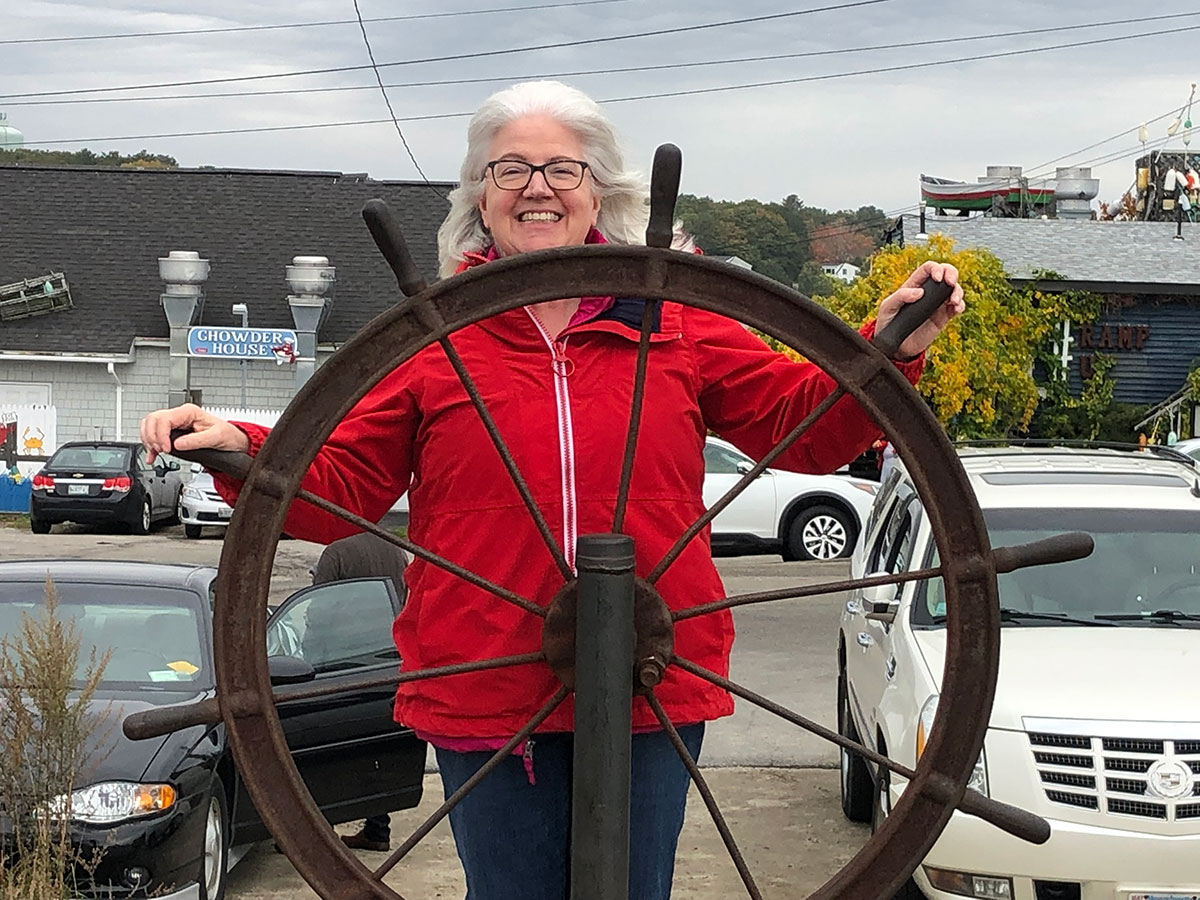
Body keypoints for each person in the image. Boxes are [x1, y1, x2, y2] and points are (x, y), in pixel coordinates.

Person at [141, 80, 964, 900]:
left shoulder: (675, 315)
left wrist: (886, 349)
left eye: (563, 170)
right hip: (485, 683)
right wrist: (241, 450)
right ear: (480, 198)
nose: (538, 187)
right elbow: (341, 488)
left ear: (599, 190)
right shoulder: (436, 337)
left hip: (650, 668)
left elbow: (804, 427)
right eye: (511, 170)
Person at [310, 532, 410, 853]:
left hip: (339, 662)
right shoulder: (395, 551)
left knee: (328, 745)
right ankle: (377, 830)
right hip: (385, 660)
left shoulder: (335, 552)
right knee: (374, 748)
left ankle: (322, 828)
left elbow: (319, 607)